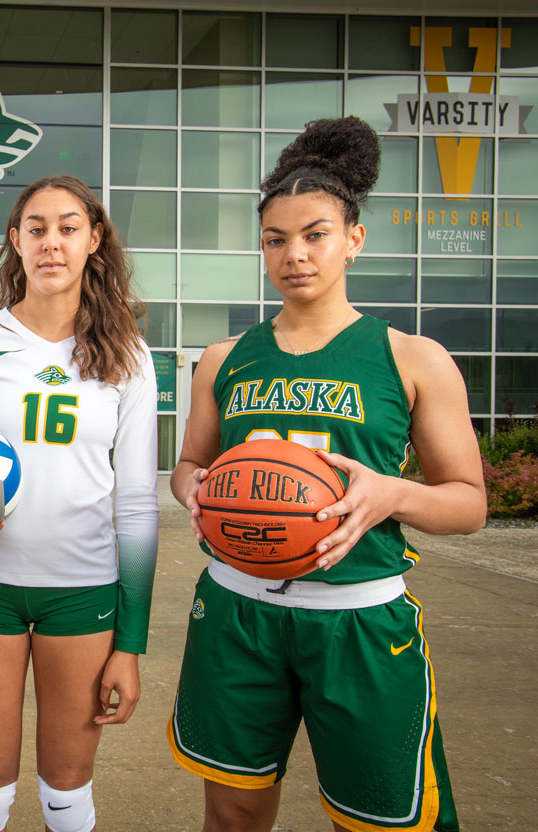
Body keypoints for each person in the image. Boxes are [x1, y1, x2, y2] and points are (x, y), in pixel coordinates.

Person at [167, 117, 486, 832]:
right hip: (236, 609)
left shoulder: (412, 358)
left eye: (315, 234)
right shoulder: (225, 358)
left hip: (360, 617)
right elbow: (189, 466)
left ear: (353, 239)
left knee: (380, 821)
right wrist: (198, 492)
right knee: (234, 812)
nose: (295, 255)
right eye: (277, 240)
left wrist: (390, 494)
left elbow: (469, 503)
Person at [0, 174, 159, 832]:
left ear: (94, 239)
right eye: (37, 228)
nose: (52, 241)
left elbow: (137, 507)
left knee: (66, 795)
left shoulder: (130, 356)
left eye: (68, 226)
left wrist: (130, 644)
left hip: (84, 594)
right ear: (16, 241)